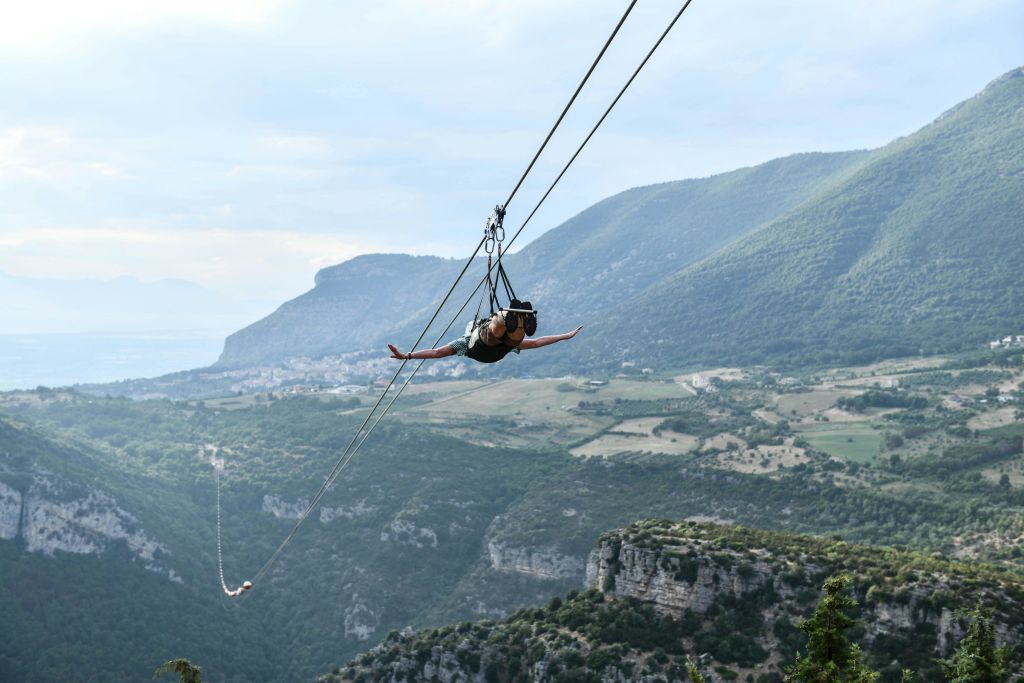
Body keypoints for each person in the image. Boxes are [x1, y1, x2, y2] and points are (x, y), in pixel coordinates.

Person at [388, 303, 582, 364]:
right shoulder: (467, 340)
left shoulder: (463, 342)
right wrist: (565, 336)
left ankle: (514, 319)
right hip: (484, 346)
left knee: (501, 333)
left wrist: (408, 356)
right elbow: (537, 342)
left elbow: (436, 352)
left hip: (487, 348)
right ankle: (516, 319)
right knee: (497, 333)